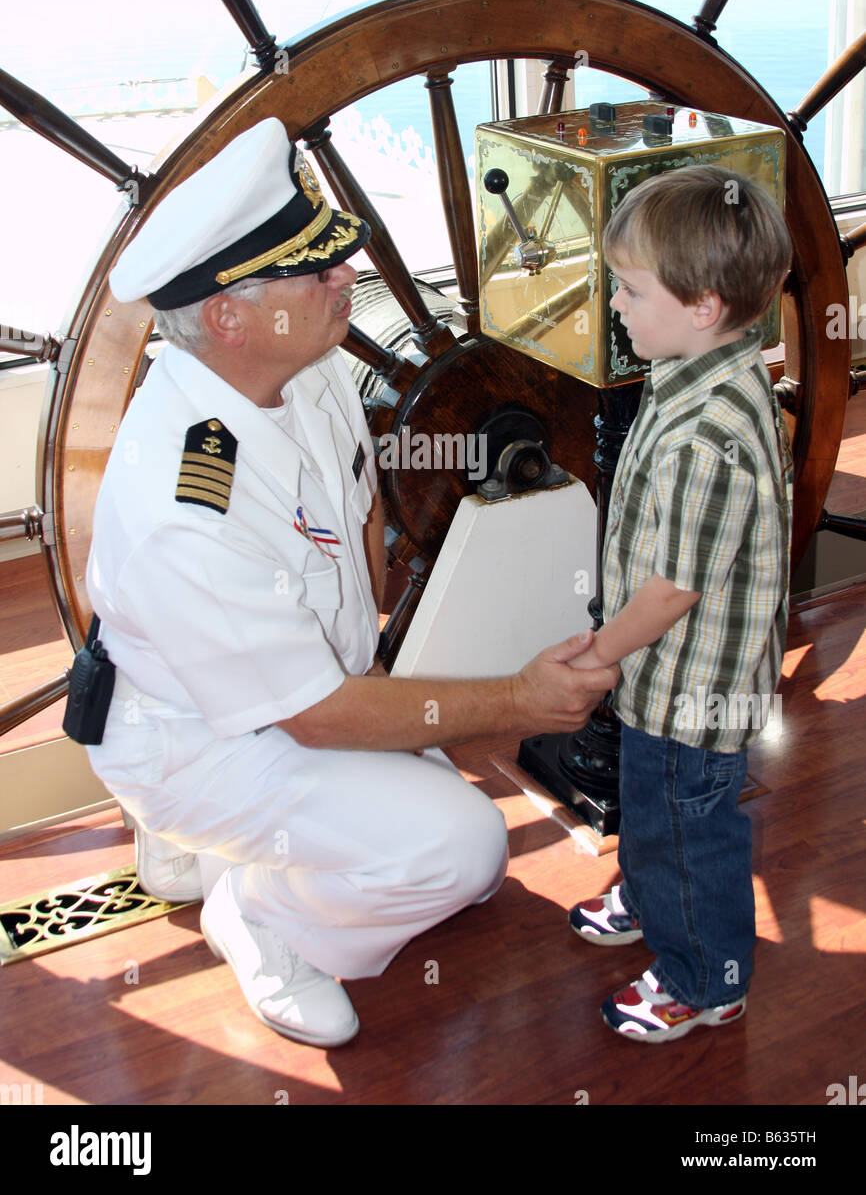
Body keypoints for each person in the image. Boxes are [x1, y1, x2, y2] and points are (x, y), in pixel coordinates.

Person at [85, 117, 619, 1048]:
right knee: (465, 848)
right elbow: (314, 719)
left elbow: (361, 502)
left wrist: (374, 657)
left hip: (284, 688)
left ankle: (211, 853)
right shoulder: (184, 502)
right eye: (314, 270)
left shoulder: (309, 365)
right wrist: (518, 699)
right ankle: (259, 917)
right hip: (196, 738)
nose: (346, 278)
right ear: (228, 317)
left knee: (462, 858)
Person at [566, 163, 794, 1042]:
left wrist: (599, 654)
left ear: (702, 304)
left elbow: (672, 589)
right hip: (670, 679)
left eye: (628, 289)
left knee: (689, 826)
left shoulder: (707, 435)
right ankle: (653, 888)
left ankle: (704, 978)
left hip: (686, 690)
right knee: (653, 803)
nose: (616, 305)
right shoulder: (706, 371)